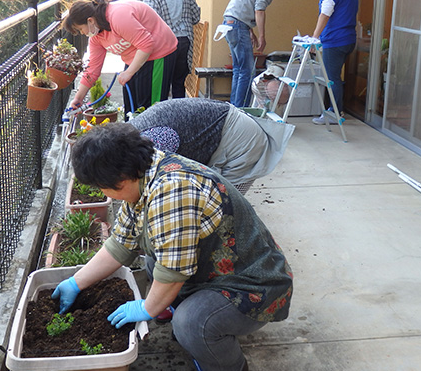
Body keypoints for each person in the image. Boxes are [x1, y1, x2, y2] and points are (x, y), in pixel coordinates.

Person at [52, 123, 293, 371]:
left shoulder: (172, 191)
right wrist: (76, 282)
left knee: (192, 323)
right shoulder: (144, 172)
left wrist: (148, 307)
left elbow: (172, 271)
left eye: (101, 188)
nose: (104, 193)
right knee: (153, 259)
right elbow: (121, 244)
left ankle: (228, 364)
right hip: (215, 271)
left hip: (254, 284)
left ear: (121, 181)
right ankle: (189, 320)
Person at [129, 97, 294, 187]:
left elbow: (160, 184)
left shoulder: (153, 141)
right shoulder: (132, 134)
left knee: (225, 205)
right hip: (226, 129)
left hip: (240, 141)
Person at [63, 0, 177, 116]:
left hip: (159, 52)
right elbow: (92, 70)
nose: (82, 33)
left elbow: (146, 44)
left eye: (81, 29)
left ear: (90, 20)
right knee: (131, 109)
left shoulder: (117, 17)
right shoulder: (96, 37)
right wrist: (78, 98)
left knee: (150, 110)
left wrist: (129, 73)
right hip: (136, 57)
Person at [221, 0, 289, 108]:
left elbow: (245, 6)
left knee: (239, 70)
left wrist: (251, 32)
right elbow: (259, 10)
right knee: (247, 71)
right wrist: (263, 36)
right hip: (238, 25)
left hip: (230, 23)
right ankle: (241, 111)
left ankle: (234, 107)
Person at [136, 0, 201, 98]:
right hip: (186, 42)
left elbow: (147, 26)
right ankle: (179, 117)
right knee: (179, 83)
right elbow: (196, 17)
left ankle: (162, 116)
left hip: (165, 45)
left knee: (162, 85)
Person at [311, 0, 359, 125]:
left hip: (335, 39)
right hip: (348, 39)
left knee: (331, 78)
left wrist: (314, 37)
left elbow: (325, 13)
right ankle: (336, 110)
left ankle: (334, 113)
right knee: (335, 77)